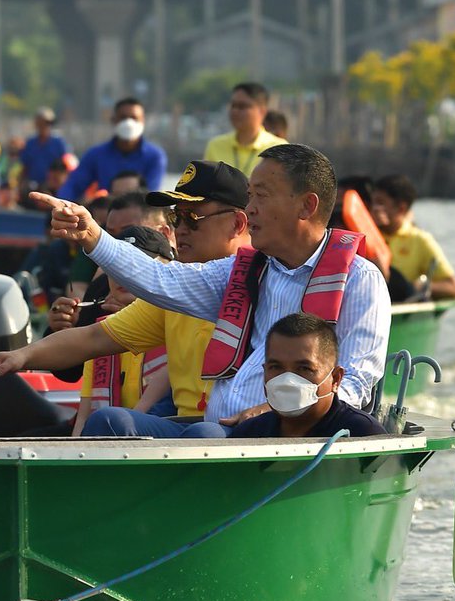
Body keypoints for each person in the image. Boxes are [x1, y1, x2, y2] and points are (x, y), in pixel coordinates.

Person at [38, 143, 391, 430]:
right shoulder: (243, 272)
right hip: (218, 429)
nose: (250, 209)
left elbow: (354, 385)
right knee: (109, 421)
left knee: (203, 434)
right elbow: (161, 279)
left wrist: (271, 413)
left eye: (261, 197)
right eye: (249, 196)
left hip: (288, 436)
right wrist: (91, 236)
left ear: (306, 206)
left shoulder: (359, 279)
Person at [0, 160, 252, 438]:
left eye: (192, 217)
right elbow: (93, 338)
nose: (181, 229)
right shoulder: (179, 288)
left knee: (205, 432)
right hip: (187, 426)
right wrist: (17, 356)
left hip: (243, 429)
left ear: (238, 224)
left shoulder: (269, 276)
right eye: (176, 217)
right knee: (109, 420)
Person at [72, 225, 174, 436]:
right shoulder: (100, 333)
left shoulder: (178, 321)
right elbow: (83, 419)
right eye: (116, 267)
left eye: (137, 264)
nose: (123, 275)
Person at [229, 313, 385, 439]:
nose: (287, 380)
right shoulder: (249, 434)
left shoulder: (363, 434)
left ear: (336, 379)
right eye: (276, 367)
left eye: (304, 368)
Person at [371, 174, 455, 300]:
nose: (373, 208)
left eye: (380, 203)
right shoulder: (364, 232)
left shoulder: (420, 240)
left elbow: (452, 288)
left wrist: (419, 286)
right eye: (372, 202)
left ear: (401, 208)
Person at [57, 97, 167, 200]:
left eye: (134, 118)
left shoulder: (155, 156)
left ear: (143, 121)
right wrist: (62, 205)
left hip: (140, 216)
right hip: (103, 214)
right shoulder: (96, 154)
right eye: (123, 117)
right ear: (113, 120)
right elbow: (74, 185)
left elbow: (151, 194)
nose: (128, 123)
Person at [203, 82, 287, 177]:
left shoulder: (278, 148)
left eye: (242, 106)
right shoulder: (215, 146)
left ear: (262, 111)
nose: (235, 111)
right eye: (233, 106)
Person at [19, 107, 71, 187]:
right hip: (34, 185)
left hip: (54, 186)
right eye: (42, 123)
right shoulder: (30, 143)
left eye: (48, 123)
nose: (45, 126)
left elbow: (66, 164)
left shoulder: (58, 143)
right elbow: (25, 167)